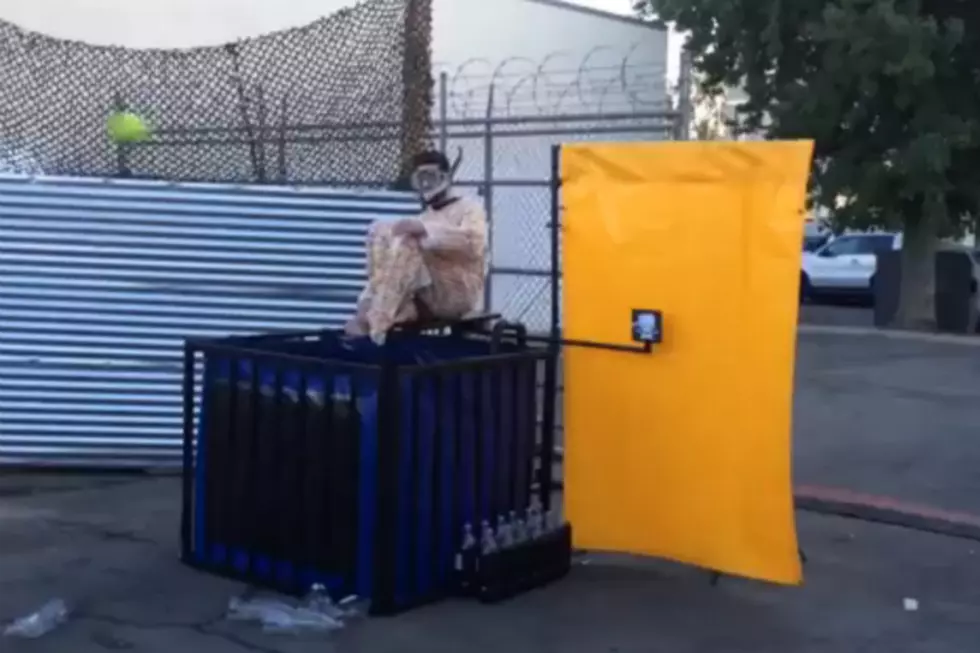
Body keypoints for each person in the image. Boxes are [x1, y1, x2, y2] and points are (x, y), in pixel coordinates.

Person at [344, 149, 488, 344]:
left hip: (457, 291)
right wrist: (366, 299)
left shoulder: (469, 208)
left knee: (407, 242)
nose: (427, 184)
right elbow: (393, 264)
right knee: (380, 232)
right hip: (424, 295)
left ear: (445, 178)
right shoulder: (425, 216)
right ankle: (375, 315)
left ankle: (379, 318)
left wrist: (424, 230)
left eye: (431, 177)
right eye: (421, 179)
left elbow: (472, 243)